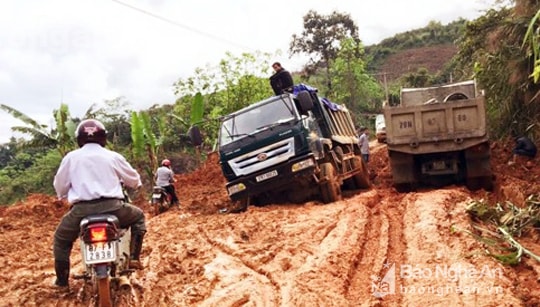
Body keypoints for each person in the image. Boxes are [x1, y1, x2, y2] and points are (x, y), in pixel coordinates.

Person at [52, 119, 146, 288]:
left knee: (61, 240)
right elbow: (133, 179)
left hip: (81, 211)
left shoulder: (71, 158)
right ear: (103, 137)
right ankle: (133, 258)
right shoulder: (112, 156)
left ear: (79, 139)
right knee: (138, 216)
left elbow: (60, 185)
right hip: (114, 208)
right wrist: (136, 185)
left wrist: (62, 194)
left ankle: (62, 281)